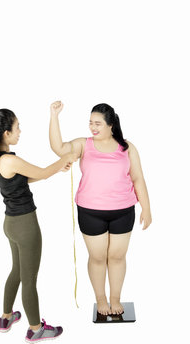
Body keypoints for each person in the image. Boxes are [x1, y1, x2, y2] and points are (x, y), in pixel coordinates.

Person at [0, 109, 77, 342]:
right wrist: (66, 157)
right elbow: (42, 172)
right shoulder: (10, 159)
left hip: (11, 224)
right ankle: (35, 328)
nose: (20, 131)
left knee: (17, 272)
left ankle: (6, 316)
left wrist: (57, 167)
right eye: (18, 127)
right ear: (7, 132)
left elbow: (31, 176)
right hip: (25, 226)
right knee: (29, 279)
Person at [49, 101, 152, 316]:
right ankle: (101, 299)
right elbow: (59, 148)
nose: (93, 128)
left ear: (110, 125)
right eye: (90, 123)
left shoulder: (127, 147)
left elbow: (138, 178)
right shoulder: (83, 144)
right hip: (90, 211)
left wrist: (146, 208)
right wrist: (54, 116)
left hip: (123, 211)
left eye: (98, 124)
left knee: (117, 257)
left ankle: (115, 298)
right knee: (97, 257)